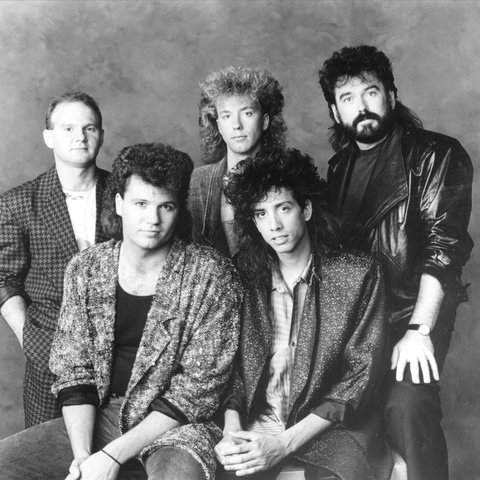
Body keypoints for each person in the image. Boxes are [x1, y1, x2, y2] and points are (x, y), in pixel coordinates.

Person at [0, 143, 242, 480]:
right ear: (119, 204)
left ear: (179, 210)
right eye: (141, 204)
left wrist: (112, 456)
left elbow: (195, 393)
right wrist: (83, 457)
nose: (153, 219)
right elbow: (74, 371)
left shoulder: (211, 275)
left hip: (178, 427)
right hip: (104, 414)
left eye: (166, 206)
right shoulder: (87, 268)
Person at [319, 45, 474, 480]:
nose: (362, 106)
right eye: (347, 98)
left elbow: (443, 250)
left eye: (370, 92)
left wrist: (420, 330)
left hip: (410, 314)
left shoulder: (435, 154)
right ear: (334, 111)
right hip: (356, 327)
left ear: (391, 95)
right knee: (336, 420)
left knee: (406, 405)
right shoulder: (338, 168)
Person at [216, 149, 393, 480]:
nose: (274, 225)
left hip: (330, 428)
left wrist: (284, 443)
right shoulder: (243, 277)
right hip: (258, 422)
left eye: (283, 208)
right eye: (261, 213)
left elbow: (359, 377)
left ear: (306, 209)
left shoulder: (358, 275)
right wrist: (231, 431)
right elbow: (233, 371)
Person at [0, 91, 110, 427]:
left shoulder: (126, 194)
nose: (80, 137)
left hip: (119, 356)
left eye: (89, 128)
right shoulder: (19, 203)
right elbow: (4, 279)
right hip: (49, 359)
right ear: (49, 137)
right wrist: (29, 338)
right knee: (46, 452)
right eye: (68, 128)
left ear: (101, 135)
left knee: (117, 454)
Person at [189, 65, 287, 257]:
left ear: (265, 121)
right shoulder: (197, 182)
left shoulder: (288, 176)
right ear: (218, 125)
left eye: (247, 113)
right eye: (227, 116)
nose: (237, 125)